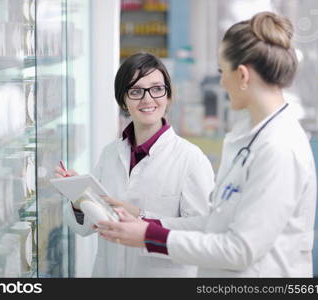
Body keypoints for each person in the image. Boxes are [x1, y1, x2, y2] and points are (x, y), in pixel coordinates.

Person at [97, 12, 317, 277]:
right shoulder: (249, 138)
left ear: (243, 76)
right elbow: (215, 222)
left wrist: (148, 236)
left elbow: (241, 249)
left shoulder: (279, 147)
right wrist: (145, 221)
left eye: (222, 72)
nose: (222, 82)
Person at [55, 52, 215, 277]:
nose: (148, 99)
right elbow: (84, 228)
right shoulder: (110, 154)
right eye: (136, 91)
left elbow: (202, 231)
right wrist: (78, 198)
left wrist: (141, 217)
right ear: (123, 100)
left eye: (157, 89)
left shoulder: (191, 159)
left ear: (168, 96)